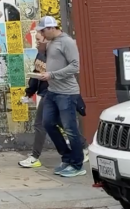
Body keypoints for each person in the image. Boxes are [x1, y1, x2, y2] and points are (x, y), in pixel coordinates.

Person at [33, 16, 86, 178]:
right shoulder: (50, 43)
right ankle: (67, 158)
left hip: (67, 93)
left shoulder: (67, 42)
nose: (42, 34)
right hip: (53, 91)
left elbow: (75, 66)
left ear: (51, 28)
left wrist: (52, 75)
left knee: (70, 129)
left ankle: (77, 164)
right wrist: (41, 48)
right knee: (48, 123)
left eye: (43, 31)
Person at [18, 31, 49, 168]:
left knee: (40, 124)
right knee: (60, 123)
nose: (36, 42)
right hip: (48, 94)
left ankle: (35, 157)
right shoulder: (40, 54)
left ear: (46, 39)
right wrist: (29, 93)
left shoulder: (56, 55)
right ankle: (81, 148)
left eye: (38, 39)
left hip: (54, 93)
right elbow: (35, 76)